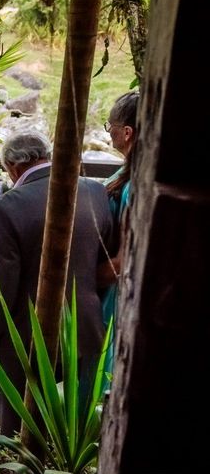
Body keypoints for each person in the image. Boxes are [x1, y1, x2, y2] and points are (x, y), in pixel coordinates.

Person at [0, 130, 114, 436]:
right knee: (75, 421)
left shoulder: (7, 206)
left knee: (19, 423)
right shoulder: (95, 191)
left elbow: (1, 287)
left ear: (12, 167)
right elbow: (104, 261)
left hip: (28, 336)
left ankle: (19, 470)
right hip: (86, 329)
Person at [99, 91, 138, 382]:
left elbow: (125, 259)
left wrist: (86, 280)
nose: (108, 131)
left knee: (101, 361)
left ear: (127, 132)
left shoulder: (133, 185)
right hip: (108, 281)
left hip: (112, 287)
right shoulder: (129, 170)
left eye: (109, 125)